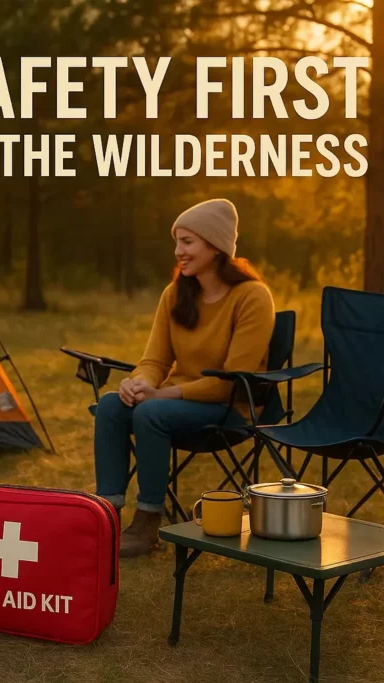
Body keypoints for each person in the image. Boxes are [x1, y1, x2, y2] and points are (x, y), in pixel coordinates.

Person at [94, 198, 274, 558]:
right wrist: (139, 382)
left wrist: (162, 396)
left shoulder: (252, 297)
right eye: (177, 242)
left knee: (149, 413)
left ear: (215, 245)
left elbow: (231, 381)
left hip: (229, 411)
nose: (179, 251)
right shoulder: (175, 294)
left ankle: (147, 523)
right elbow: (155, 360)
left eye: (188, 242)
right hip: (173, 404)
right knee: (112, 404)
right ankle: (104, 516)